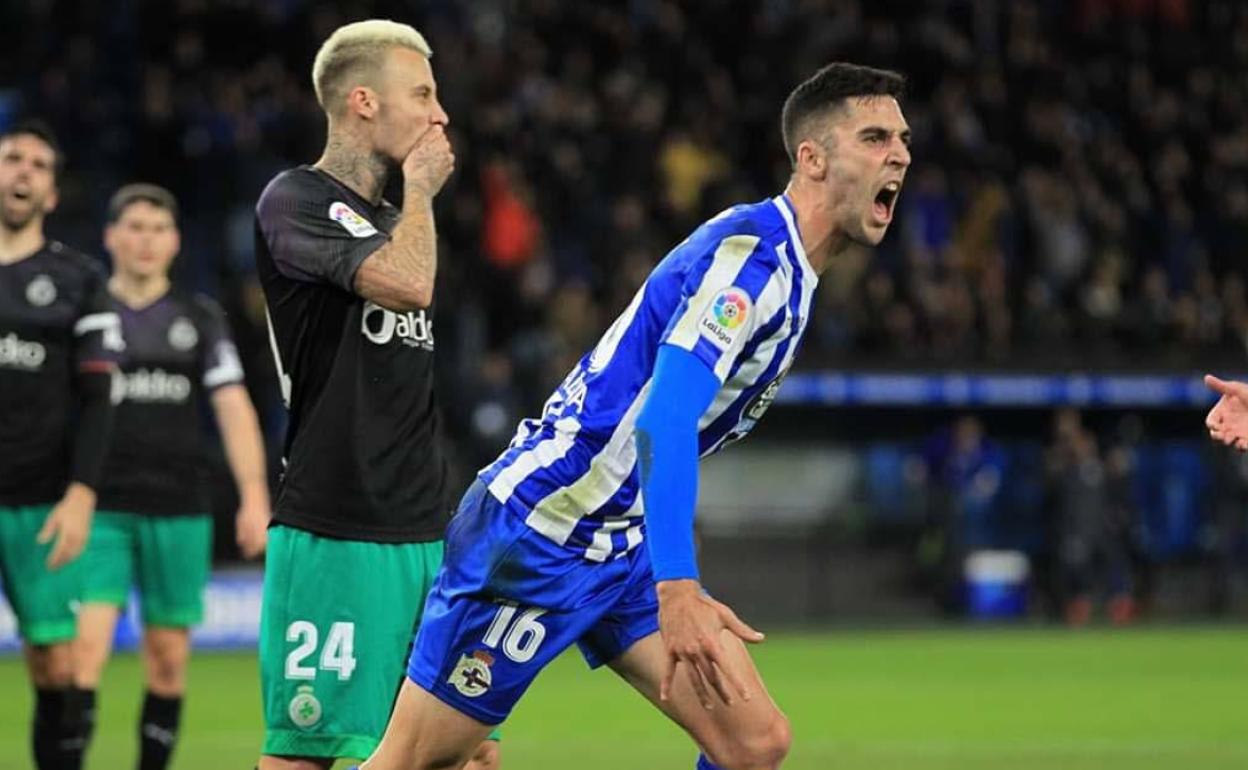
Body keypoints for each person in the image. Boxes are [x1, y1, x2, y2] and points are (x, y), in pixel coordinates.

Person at [359, 62, 911, 770]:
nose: (898, 152)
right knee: (409, 762)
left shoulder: (793, 273)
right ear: (811, 157)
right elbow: (662, 420)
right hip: (543, 531)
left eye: (900, 137)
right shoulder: (751, 263)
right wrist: (678, 585)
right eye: (874, 136)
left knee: (753, 743)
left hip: (618, 545)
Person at [252, 20, 498, 770]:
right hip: (338, 528)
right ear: (363, 101)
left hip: (421, 529)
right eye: (422, 93)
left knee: (467, 755)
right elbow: (408, 285)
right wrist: (420, 188)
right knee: (308, 752)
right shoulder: (293, 198)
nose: (440, 115)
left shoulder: (397, 223)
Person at [70, 183, 271, 770]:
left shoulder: (199, 317)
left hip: (179, 507)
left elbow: (234, 408)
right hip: (98, 505)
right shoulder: (84, 313)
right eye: (134, 226)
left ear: (176, 241)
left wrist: (254, 497)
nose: (146, 240)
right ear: (110, 236)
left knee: (167, 661)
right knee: (82, 653)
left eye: (158, 229)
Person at [0, 120, 124, 770]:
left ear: (50, 192)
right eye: (11, 158)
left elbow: (101, 400)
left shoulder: (77, 279)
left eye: (37, 165)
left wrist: (81, 495)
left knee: (56, 662)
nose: (22, 171)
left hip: (40, 502)